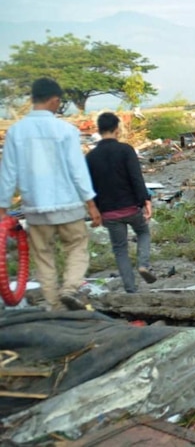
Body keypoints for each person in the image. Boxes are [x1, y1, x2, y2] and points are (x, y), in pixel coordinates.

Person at [0, 77, 102, 311]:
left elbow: (7, 173)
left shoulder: (16, 132)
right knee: (77, 247)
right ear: (55, 100)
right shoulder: (65, 130)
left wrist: (3, 209)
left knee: (44, 258)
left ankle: (54, 307)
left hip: (35, 209)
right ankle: (70, 288)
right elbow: (78, 170)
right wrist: (92, 204)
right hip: (69, 206)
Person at [86, 112, 156, 293]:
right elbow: (136, 178)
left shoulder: (91, 157)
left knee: (120, 249)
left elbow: (89, 187)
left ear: (99, 130)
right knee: (143, 233)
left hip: (109, 213)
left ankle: (130, 288)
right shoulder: (126, 150)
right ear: (117, 129)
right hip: (131, 208)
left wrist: (95, 210)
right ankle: (143, 265)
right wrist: (146, 201)